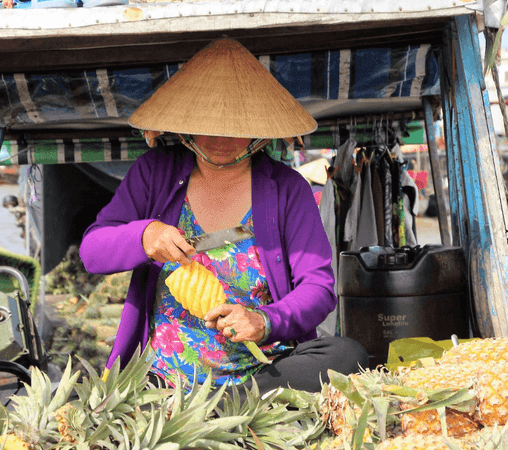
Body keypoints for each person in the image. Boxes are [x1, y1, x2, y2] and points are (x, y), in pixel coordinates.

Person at [79, 37, 368, 393]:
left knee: (347, 355)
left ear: (258, 128)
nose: (221, 136)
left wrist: (264, 320)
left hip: (263, 375)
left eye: (236, 125)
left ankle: (230, 402)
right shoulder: (155, 172)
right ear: (186, 122)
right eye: (209, 122)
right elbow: (92, 251)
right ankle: (203, 408)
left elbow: (319, 288)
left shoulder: (287, 188)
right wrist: (144, 236)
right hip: (167, 379)